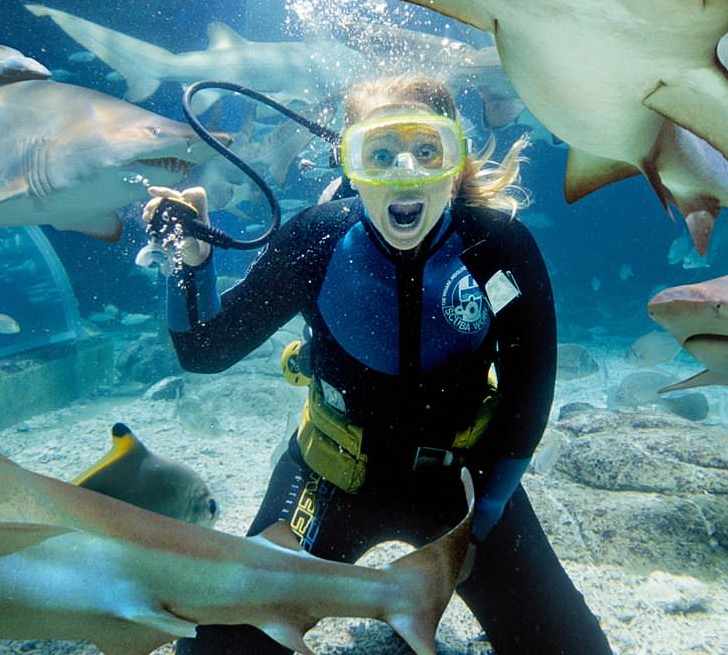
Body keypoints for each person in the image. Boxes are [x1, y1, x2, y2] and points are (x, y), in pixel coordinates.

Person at [144, 75, 613, 654]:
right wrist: (190, 264)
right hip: (331, 475)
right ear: (351, 160)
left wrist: (486, 512)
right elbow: (205, 351)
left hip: (463, 489)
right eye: (381, 153)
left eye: (426, 149)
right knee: (220, 651)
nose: (405, 172)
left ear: (454, 157)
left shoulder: (498, 248)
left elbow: (529, 388)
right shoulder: (315, 241)